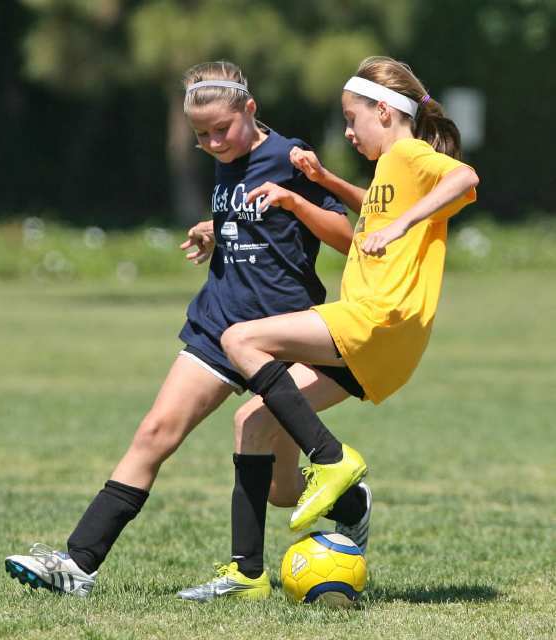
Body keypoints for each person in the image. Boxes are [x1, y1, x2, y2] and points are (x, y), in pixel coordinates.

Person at [4, 60, 371, 598]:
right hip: (218, 322)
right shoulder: (226, 155)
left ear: (251, 110)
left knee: (281, 489)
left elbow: (346, 238)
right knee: (155, 433)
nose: (213, 143)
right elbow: (251, 219)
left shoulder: (289, 157)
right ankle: (78, 565)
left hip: (284, 333)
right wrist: (215, 228)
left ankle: (350, 502)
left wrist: (295, 198)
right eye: (201, 136)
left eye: (221, 130)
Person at [177, 55, 478, 601]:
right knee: (253, 426)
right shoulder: (391, 167)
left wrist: (407, 223)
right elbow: (372, 215)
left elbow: (464, 178)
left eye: (351, 118)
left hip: (376, 319)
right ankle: (253, 569)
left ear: (383, 112)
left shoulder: (410, 153)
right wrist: (322, 181)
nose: (347, 130)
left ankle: (333, 459)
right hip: (383, 336)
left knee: (240, 338)